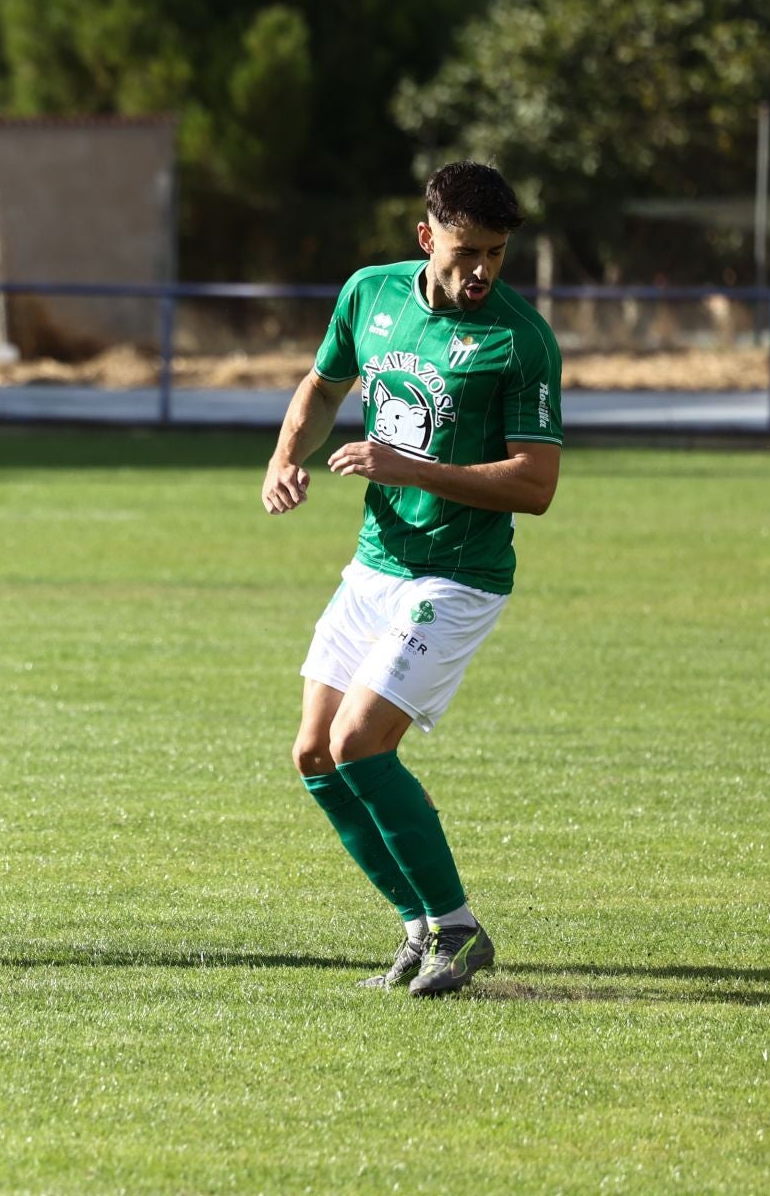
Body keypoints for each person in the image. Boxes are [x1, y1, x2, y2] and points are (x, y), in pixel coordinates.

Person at [261, 160, 562, 998]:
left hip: (457, 575)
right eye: (468, 252)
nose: (482, 271)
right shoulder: (370, 294)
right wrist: (284, 457)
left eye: (496, 253)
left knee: (360, 743)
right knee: (315, 754)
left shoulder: (520, 339)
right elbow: (323, 384)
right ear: (427, 237)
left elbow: (537, 485)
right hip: (376, 563)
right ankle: (418, 929)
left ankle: (458, 928)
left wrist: (411, 468)